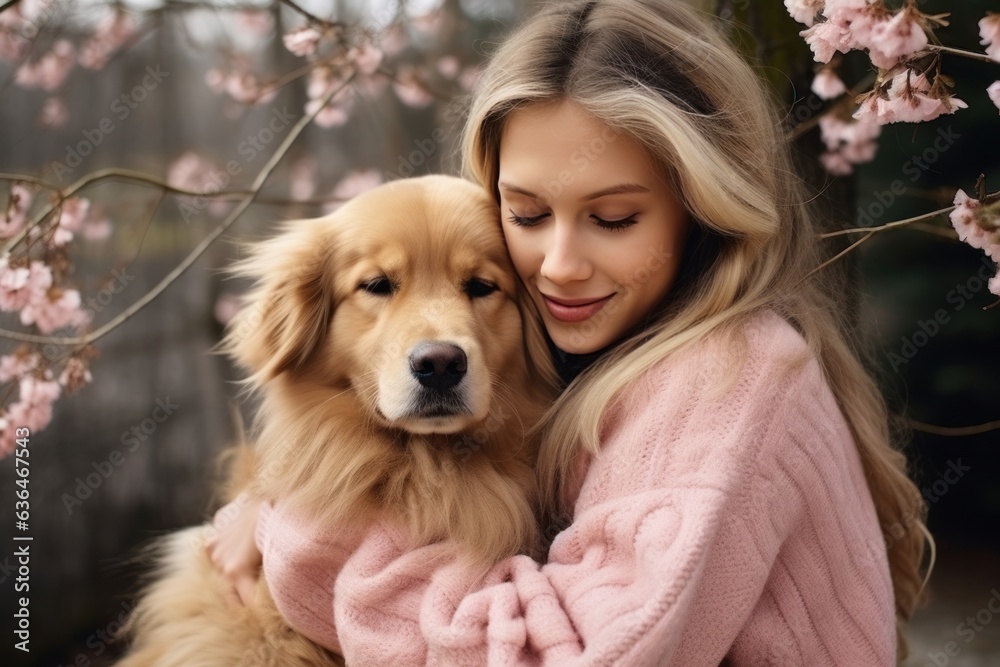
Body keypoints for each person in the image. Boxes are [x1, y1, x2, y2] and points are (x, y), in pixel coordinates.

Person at [206, 0, 934, 663]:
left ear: (704, 208)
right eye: (524, 215)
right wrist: (269, 497)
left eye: (613, 219)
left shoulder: (731, 372)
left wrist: (295, 541)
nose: (558, 266)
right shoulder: (596, 341)